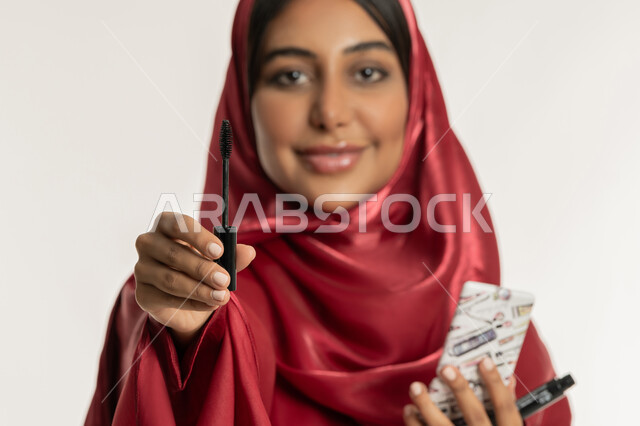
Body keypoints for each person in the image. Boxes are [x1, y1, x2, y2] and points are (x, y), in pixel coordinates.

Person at [85, 0, 573, 424]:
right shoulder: (175, 307)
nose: (331, 111)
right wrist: (190, 350)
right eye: (291, 75)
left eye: (366, 72)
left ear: (417, 94)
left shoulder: (500, 349)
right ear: (243, 99)